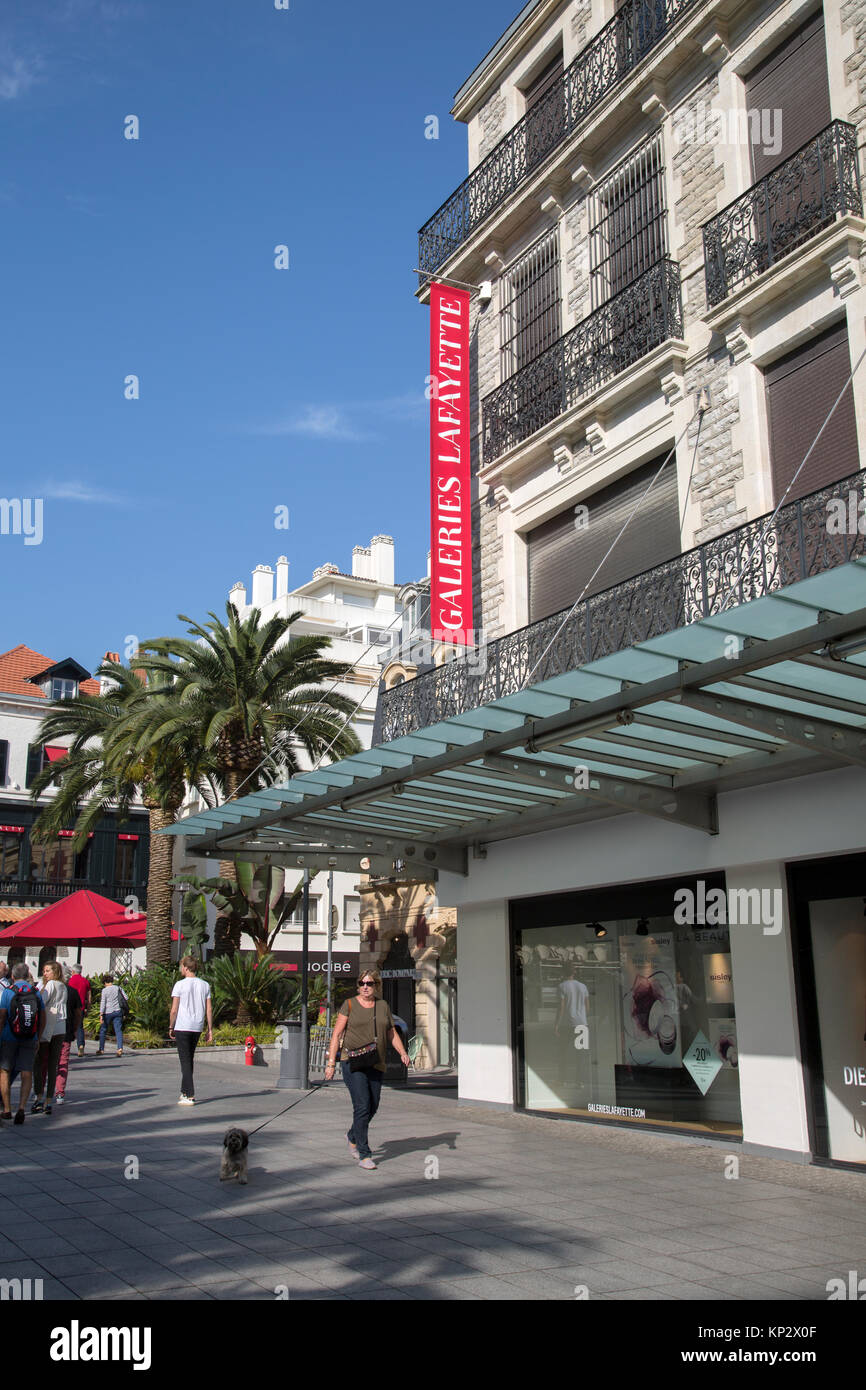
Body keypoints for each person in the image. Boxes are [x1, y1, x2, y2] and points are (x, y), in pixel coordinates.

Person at [324, 969, 409, 1170]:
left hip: (375, 1061)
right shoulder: (350, 1004)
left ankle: (353, 1134)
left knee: (373, 1105)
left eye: (369, 984)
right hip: (352, 1061)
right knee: (362, 1105)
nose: (365, 987)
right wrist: (330, 1064)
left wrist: (402, 1052)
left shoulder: (383, 1006)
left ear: (376, 985)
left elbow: (391, 1033)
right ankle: (364, 1153)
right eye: (362, 983)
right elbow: (336, 1035)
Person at [0, 964, 45, 1124]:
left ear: (12, 976)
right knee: (26, 1072)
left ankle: (6, 1109)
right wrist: (38, 1038)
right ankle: (21, 1108)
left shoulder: (8, 991)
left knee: (5, 1071)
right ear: (27, 975)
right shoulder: (35, 992)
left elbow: (2, 1017)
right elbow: (42, 1017)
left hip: (9, 1037)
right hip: (30, 1038)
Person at [169, 956, 213, 1105]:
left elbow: (174, 1010)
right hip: (197, 1026)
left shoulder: (179, 985)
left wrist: (171, 1026)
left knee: (185, 1060)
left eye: (182, 966)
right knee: (189, 1059)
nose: (181, 969)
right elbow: (209, 1008)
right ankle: (184, 1091)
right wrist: (210, 1029)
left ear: (186, 968)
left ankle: (190, 1094)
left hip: (182, 1025)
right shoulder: (205, 985)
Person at [32, 961, 68, 1114]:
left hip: (48, 1026)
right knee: (53, 1064)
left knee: (39, 1062)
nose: (44, 973)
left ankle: (39, 1097)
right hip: (60, 1026)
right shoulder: (63, 986)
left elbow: (41, 1001)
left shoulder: (51, 984)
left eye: (47, 971)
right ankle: (48, 1101)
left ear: (55, 972)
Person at [54, 969, 82, 1107]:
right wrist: (75, 1029)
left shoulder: (50, 991)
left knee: (47, 1062)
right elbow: (78, 1013)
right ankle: (60, 1092)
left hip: (51, 1033)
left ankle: (41, 1093)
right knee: (63, 1062)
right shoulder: (72, 991)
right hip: (66, 1031)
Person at [97, 974, 127, 1056]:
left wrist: (101, 1014)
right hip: (118, 1011)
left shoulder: (105, 990)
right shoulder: (118, 988)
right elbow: (126, 997)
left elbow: (103, 1002)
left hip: (108, 1012)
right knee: (118, 1030)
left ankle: (101, 1049)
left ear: (105, 982)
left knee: (103, 1030)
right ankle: (120, 1048)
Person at [67, 963, 91, 1057]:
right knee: (80, 1027)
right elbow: (89, 996)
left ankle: (66, 1045)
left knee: (67, 1026)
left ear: (73, 971)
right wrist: (88, 1007)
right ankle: (81, 1045)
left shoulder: (70, 980)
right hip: (80, 1007)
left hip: (70, 1007)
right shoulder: (85, 981)